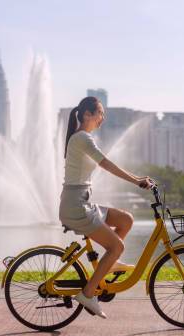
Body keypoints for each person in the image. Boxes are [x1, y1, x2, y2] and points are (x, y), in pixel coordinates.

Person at [59, 96, 154, 319]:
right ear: (87, 115)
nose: (103, 118)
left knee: (126, 220)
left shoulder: (83, 137)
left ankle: (108, 265)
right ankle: (88, 293)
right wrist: (137, 180)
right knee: (117, 247)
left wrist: (138, 179)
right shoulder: (82, 138)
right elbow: (107, 164)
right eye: (100, 113)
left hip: (82, 202)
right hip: (75, 207)